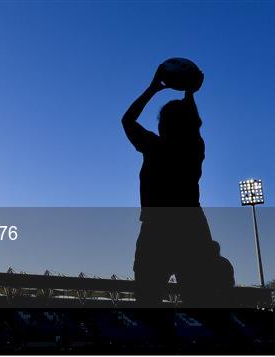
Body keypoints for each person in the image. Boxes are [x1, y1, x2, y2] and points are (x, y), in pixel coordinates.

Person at [121, 63, 216, 306]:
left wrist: (153, 89)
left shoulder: (155, 147)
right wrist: (189, 92)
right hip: (191, 225)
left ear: (162, 127)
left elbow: (127, 120)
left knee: (148, 299)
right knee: (201, 299)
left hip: (157, 228)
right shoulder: (195, 148)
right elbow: (193, 124)